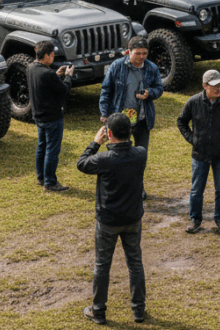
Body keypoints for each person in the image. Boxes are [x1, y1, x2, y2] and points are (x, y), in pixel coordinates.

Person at [77, 113, 147, 324]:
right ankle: (139, 310)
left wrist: (95, 143)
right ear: (130, 132)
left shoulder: (104, 159)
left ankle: (98, 311)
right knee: (135, 263)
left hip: (108, 220)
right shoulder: (140, 154)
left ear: (109, 134)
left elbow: (82, 163)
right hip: (133, 218)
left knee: (102, 265)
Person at [176, 69, 220, 236]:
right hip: (200, 155)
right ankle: (195, 220)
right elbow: (181, 121)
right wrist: (192, 139)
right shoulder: (193, 102)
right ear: (205, 86)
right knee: (196, 189)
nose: (218, 88)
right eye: (214, 86)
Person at [99, 37, 163, 201]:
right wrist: (105, 114)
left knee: (140, 158)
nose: (141, 57)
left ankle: (138, 189)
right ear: (128, 52)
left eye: (144, 53)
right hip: (120, 122)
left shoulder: (152, 68)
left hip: (142, 119)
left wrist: (150, 93)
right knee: (118, 158)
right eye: (138, 53)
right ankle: (119, 189)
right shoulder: (117, 66)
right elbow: (106, 90)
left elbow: (159, 88)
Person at [28, 40, 74, 192]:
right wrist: (68, 76)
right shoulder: (47, 73)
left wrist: (56, 75)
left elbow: (44, 84)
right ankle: (50, 182)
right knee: (52, 150)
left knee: (42, 146)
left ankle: (41, 177)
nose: (53, 58)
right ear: (47, 55)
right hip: (52, 117)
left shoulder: (31, 67)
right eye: (52, 55)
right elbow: (64, 89)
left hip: (38, 115)